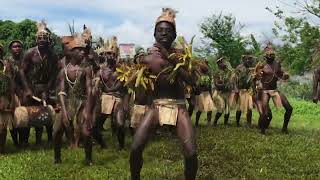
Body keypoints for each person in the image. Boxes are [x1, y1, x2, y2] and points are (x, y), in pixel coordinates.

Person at [130, 8, 198, 180]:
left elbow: (192, 80)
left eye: (168, 31)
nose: (164, 34)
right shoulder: (147, 57)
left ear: (174, 35)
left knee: (191, 153)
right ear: (154, 34)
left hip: (179, 107)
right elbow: (136, 83)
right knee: (136, 148)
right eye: (160, 31)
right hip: (155, 106)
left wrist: (170, 57)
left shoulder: (182, 55)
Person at [54, 33, 96, 164]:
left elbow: (89, 89)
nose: (82, 52)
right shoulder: (63, 71)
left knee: (86, 132)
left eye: (83, 49)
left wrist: (88, 112)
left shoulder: (87, 69)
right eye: (79, 50)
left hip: (83, 102)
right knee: (56, 131)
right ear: (71, 52)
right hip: (68, 103)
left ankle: (88, 159)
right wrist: (64, 112)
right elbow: (61, 92)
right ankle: (57, 158)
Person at [19, 21, 59, 145]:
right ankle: (24, 140)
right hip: (31, 87)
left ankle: (42, 140)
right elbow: (21, 72)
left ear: (48, 40)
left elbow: (54, 73)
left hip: (45, 87)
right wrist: (27, 89)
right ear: (36, 40)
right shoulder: (30, 53)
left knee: (44, 113)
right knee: (28, 113)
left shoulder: (52, 55)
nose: (42, 40)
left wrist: (48, 89)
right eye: (39, 38)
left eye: (44, 38)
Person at [94, 36, 125, 150]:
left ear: (116, 55)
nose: (111, 56)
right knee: (94, 126)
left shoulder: (122, 69)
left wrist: (110, 90)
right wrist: (97, 86)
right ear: (105, 55)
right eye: (108, 53)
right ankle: (102, 144)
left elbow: (122, 84)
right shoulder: (101, 70)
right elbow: (96, 84)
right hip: (104, 99)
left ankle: (121, 146)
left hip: (118, 99)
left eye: (113, 54)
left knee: (120, 124)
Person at [257, 43, 293, 134]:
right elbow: (256, 78)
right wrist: (259, 82)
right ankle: (262, 131)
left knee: (289, 108)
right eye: (268, 54)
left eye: (272, 54)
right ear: (265, 55)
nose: (270, 55)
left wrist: (285, 76)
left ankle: (284, 128)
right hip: (265, 91)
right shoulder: (261, 65)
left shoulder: (277, 64)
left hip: (274, 90)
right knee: (265, 113)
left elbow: (281, 75)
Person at [7, 40, 24, 147]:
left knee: (23, 116)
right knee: (13, 117)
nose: (17, 48)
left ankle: (23, 140)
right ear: (10, 49)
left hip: (25, 91)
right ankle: (16, 142)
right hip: (12, 93)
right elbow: (9, 79)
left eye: (19, 46)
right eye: (14, 46)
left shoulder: (25, 60)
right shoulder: (7, 62)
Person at [212, 57, 234, 126]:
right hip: (218, 93)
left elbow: (232, 81)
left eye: (224, 62)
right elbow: (216, 84)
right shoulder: (216, 72)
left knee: (227, 109)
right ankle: (214, 122)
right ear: (218, 64)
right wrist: (223, 84)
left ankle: (225, 123)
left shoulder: (228, 71)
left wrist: (230, 82)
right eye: (222, 62)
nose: (224, 63)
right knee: (221, 107)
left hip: (226, 93)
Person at [234, 55, 255, 127]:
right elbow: (234, 80)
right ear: (243, 60)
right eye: (247, 59)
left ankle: (249, 123)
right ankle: (237, 123)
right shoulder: (239, 68)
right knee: (239, 108)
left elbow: (252, 81)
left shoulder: (251, 69)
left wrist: (253, 90)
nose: (248, 61)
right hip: (241, 90)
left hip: (248, 90)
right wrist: (236, 89)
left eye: (249, 59)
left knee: (249, 107)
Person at [0, 56, 15, 153]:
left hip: (5, 102)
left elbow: (11, 92)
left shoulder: (7, 79)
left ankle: (2, 147)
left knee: (3, 127)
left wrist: (12, 103)